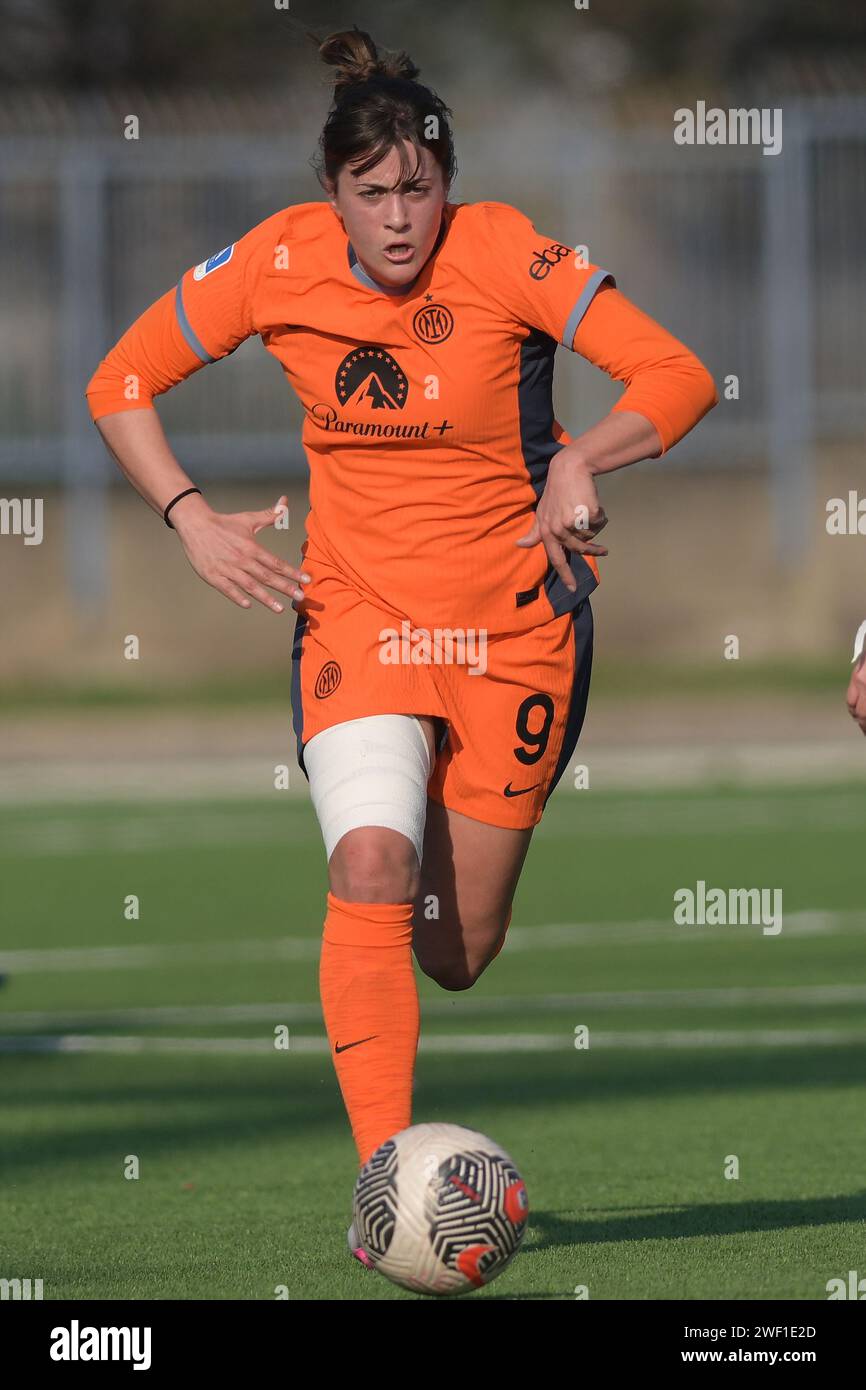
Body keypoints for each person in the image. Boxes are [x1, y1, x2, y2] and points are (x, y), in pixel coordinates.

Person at [85, 25, 717, 1264]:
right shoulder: (273, 259)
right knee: (371, 863)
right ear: (331, 194)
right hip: (360, 618)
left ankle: (432, 813)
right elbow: (119, 380)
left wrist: (583, 456)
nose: (394, 219)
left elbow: (678, 372)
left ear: (448, 182)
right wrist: (187, 518)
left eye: (415, 191)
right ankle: (386, 1189)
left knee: (454, 951)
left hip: (515, 631)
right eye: (368, 195)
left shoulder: (503, 251)